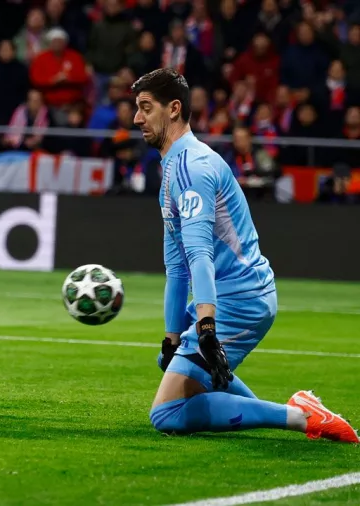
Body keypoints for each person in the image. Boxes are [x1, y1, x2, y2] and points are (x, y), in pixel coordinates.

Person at [132, 68, 358, 443]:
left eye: (145, 107)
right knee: (170, 365)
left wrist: (206, 327)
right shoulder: (173, 168)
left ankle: (300, 416)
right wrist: (172, 339)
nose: (137, 118)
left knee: (166, 413)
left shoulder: (192, 168)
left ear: (173, 109)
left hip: (240, 299)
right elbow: (177, 267)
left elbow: (201, 253)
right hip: (231, 293)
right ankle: (300, 407)